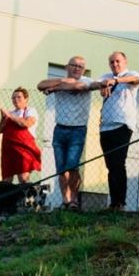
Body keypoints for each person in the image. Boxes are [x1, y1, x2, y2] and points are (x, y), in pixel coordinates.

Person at [36, 56, 95, 210]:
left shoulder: (87, 81)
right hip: (60, 128)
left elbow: (81, 87)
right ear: (67, 67)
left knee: (73, 166)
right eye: (74, 65)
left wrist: (58, 87)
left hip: (78, 129)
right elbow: (40, 85)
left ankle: (74, 200)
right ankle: (66, 200)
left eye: (80, 66)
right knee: (61, 168)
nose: (77, 68)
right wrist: (62, 83)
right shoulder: (60, 81)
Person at [97, 50, 139, 210]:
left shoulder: (130, 74)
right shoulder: (105, 76)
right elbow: (98, 84)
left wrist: (115, 80)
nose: (115, 64)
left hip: (122, 125)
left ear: (125, 61)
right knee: (111, 166)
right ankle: (113, 202)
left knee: (118, 163)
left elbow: (136, 79)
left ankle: (120, 202)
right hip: (105, 126)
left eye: (117, 61)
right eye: (112, 62)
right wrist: (104, 84)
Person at [0, 88, 43, 185]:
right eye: (13, 98)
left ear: (26, 99)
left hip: (23, 150)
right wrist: (3, 119)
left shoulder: (31, 111)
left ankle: (27, 198)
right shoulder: (11, 113)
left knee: (23, 179)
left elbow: (26, 123)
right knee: (6, 181)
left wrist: (10, 116)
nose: (16, 99)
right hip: (8, 151)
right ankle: (8, 200)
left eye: (19, 97)